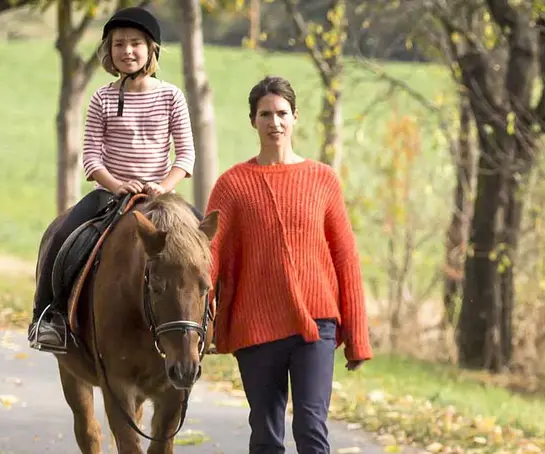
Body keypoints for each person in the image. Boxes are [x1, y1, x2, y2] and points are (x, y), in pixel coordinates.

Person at [205, 76, 372, 454]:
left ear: (295, 117)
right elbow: (207, 258)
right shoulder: (232, 185)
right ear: (253, 121)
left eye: (282, 113)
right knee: (265, 435)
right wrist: (199, 326)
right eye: (265, 114)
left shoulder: (322, 179)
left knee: (311, 428)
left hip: (316, 325)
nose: (274, 123)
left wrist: (357, 339)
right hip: (256, 324)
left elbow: (345, 257)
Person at [30, 5, 196, 354]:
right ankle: (48, 317)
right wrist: (117, 183)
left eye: (135, 43)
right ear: (109, 50)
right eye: (118, 44)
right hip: (110, 195)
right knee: (61, 236)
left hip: (160, 197)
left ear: (151, 49)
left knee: (203, 246)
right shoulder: (101, 97)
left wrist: (163, 186)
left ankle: (211, 321)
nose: (127, 51)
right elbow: (91, 157)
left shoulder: (171, 96)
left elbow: (185, 155)